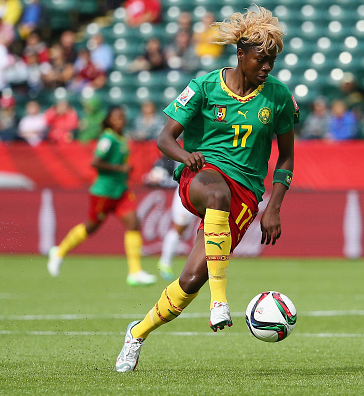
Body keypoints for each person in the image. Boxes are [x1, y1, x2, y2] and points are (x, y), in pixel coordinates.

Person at [115, 6, 297, 372]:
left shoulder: (278, 96)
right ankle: (220, 301)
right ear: (240, 54)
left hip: (246, 192)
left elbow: (287, 158)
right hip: (202, 174)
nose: (267, 68)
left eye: (272, 61)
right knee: (216, 194)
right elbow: (164, 139)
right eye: (261, 59)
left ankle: (136, 333)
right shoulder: (204, 87)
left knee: (190, 278)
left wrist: (274, 207)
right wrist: (186, 155)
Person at [47, 106, 157, 286]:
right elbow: (96, 162)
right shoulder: (107, 138)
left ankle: (135, 272)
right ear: (109, 120)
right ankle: (59, 252)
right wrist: (120, 168)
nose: (121, 120)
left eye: (122, 117)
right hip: (104, 192)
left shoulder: (120, 138)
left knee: (134, 224)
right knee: (91, 227)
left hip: (120, 190)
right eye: (117, 118)